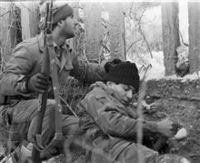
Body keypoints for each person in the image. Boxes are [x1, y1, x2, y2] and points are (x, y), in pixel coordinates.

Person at [0, 2, 107, 161]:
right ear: (61, 21)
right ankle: (18, 158)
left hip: (48, 117)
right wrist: (27, 83)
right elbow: (4, 82)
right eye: (71, 17)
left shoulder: (66, 52)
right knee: (49, 106)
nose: (76, 22)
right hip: (13, 115)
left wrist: (109, 69)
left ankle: (43, 154)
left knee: (84, 129)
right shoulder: (30, 48)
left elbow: (85, 71)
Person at [76, 60, 191, 163]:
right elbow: (113, 124)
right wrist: (156, 127)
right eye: (126, 89)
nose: (130, 96)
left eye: (133, 91)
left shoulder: (120, 102)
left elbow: (135, 123)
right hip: (103, 150)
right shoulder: (96, 96)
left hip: (121, 148)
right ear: (110, 84)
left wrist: (166, 131)